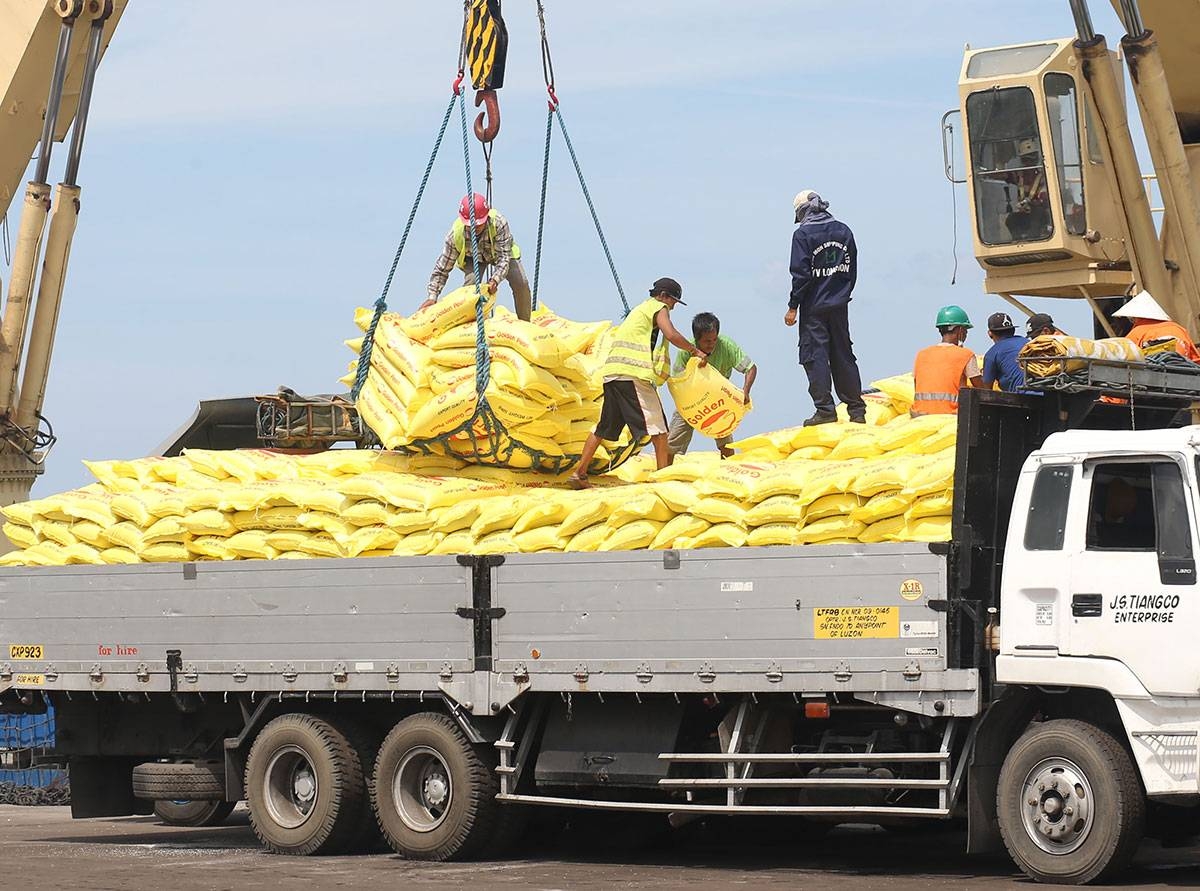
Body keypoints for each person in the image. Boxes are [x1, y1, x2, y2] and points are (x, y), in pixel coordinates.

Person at [567, 278, 707, 488]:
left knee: (603, 428)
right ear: (663, 296)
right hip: (632, 374)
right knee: (659, 432)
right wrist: (694, 351)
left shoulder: (640, 310)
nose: (674, 306)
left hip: (613, 374)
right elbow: (671, 333)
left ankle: (579, 473)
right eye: (673, 301)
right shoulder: (657, 307)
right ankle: (663, 482)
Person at [784, 189, 866, 426]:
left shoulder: (803, 235)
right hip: (839, 305)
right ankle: (856, 409)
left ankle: (825, 410)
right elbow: (852, 270)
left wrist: (793, 306)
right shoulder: (844, 230)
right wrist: (842, 294)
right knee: (843, 354)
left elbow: (801, 274)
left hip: (814, 308)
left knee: (815, 356)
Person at [422, 193, 532, 321]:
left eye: (478, 224)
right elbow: (442, 268)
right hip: (473, 257)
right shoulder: (455, 235)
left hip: (500, 253)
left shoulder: (499, 223)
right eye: (470, 225)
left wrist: (495, 279)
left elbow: (504, 258)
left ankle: (525, 321)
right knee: (471, 287)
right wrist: (432, 296)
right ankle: (469, 323)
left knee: (521, 282)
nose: (474, 228)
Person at [666, 312, 757, 459]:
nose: (711, 344)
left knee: (725, 441)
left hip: (719, 400)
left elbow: (751, 368)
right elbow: (677, 381)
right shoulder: (686, 351)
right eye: (707, 341)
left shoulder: (726, 346)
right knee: (673, 442)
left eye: (714, 339)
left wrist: (745, 392)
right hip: (691, 401)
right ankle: (662, 473)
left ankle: (727, 469)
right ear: (697, 339)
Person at [912, 305, 984, 416]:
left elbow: (917, 386)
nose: (966, 334)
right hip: (950, 416)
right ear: (960, 330)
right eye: (966, 330)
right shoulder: (965, 355)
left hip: (919, 415)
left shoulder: (922, 354)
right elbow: (981, 389)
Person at [1113, 290, 1200, 362]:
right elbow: (1195, 360)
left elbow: (1124, 362)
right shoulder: (1178, 329)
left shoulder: (1136, 334)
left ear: (1135, 317)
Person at [982, 311, 1030, 393]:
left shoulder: (992, 353)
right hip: (1048, 395)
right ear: (1013, 330)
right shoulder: (1028, 343)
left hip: (1024, 399)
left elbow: (986, 389)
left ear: (990, 334)